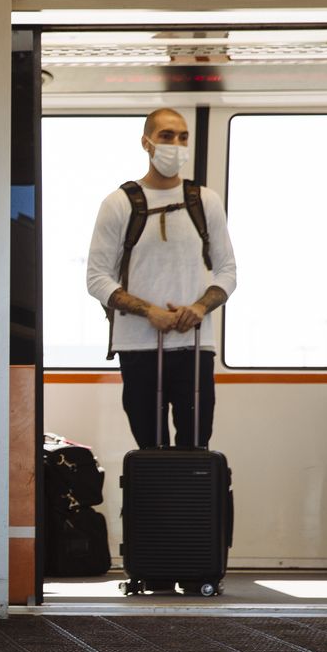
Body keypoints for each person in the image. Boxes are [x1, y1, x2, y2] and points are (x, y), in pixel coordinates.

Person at [85, 108, 239, 449]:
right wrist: (149, 312)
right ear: (147, 142)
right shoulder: (119, 203)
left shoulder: (205, 201)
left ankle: (193, 505)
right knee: (150, 449)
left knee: (195, 448)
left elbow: (228, 272)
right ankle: (153, 504)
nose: (177, 144)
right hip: (137, 347)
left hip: (195, 346)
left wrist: (199, 307)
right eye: (167, 136)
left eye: (183, 137)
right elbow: (97, 279)